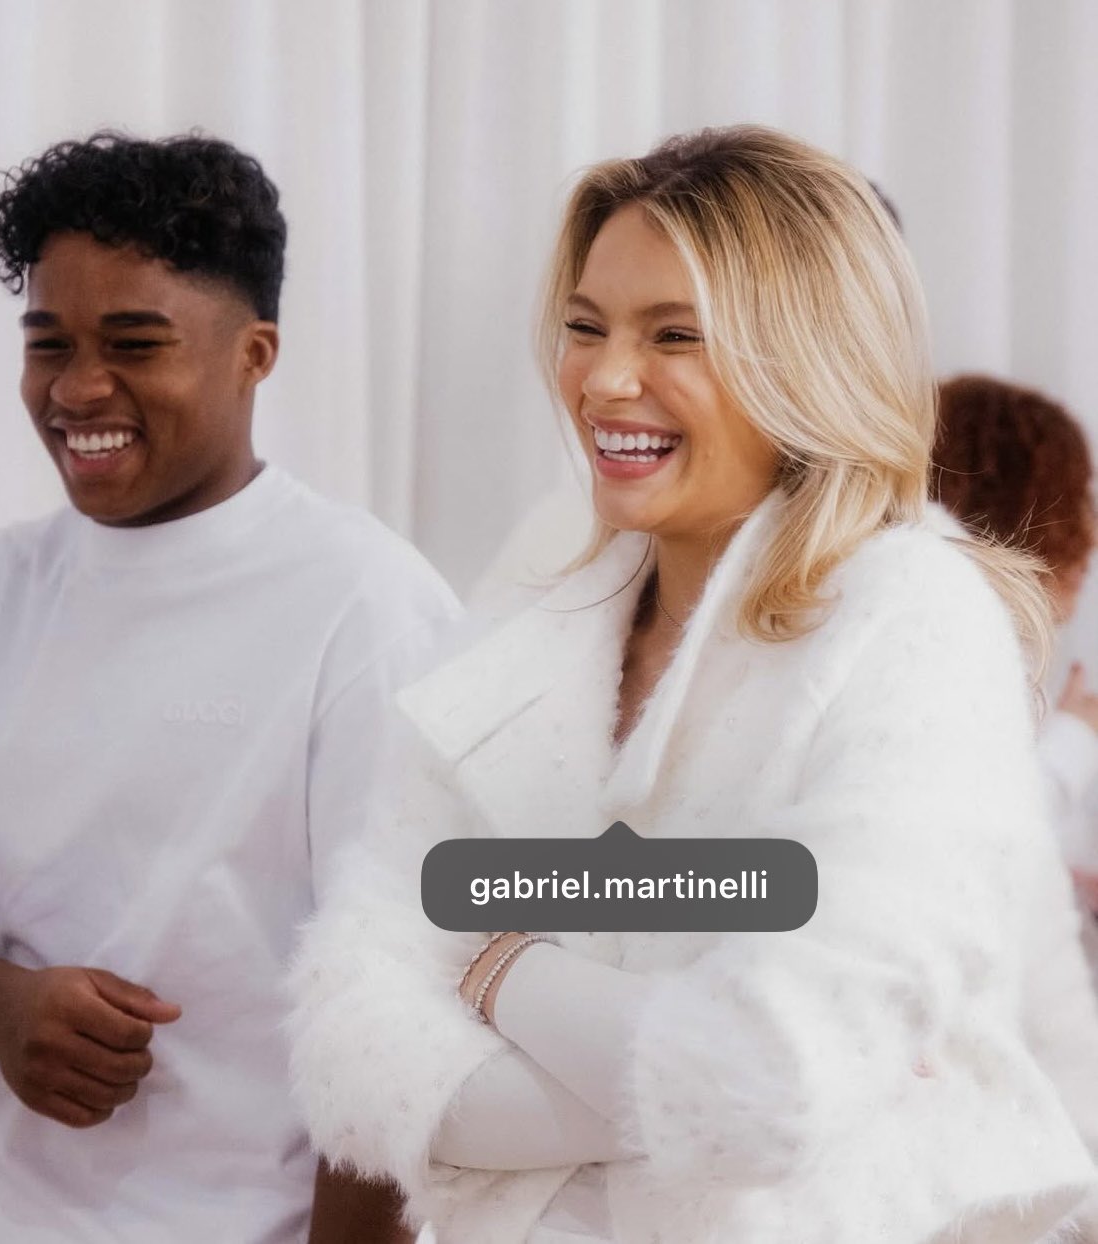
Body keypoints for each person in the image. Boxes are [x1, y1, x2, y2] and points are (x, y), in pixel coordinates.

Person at [289, 126, 1098, 1243]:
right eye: (586, 326)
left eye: (676, 335)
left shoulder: (912, 622)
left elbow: (764, 1078)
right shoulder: (525, 626)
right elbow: (352, 1051)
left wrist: (496, 960)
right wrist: (722, 1058)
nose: (604, 378)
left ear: (806, 358)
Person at [0, 133, 454, 1243]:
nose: (77, 388)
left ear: (254, 354)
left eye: (134, 344)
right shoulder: (5, 587)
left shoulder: (369, 610)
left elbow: (405, 1021)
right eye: (48, 344)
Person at [933, 374, 1098, 874]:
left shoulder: (1007, 661)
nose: (1091, 532)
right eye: (1074, 500)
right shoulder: (945, 656)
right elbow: (975, 842)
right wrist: (1074, 740)